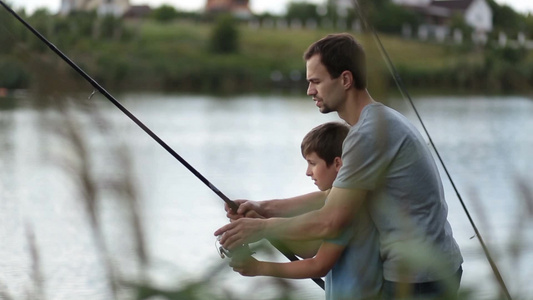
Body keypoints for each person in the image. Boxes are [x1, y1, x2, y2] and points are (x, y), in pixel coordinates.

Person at [215, 33, 463, 299]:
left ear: (345, 79)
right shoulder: (376, 123)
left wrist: (263, 227)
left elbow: (330, 221)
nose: (310, 91)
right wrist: (263, 208)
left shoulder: (368, 135)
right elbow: (332, 197)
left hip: (420, 278)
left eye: (316, 82)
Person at [228, 122, 382, 300]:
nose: (308, 172)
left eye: (312, 163)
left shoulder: (349, 210)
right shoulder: (343, 200)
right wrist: (259, 219)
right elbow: (309, 248)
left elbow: (318, 265)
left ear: (337, 163)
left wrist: (259, 267)